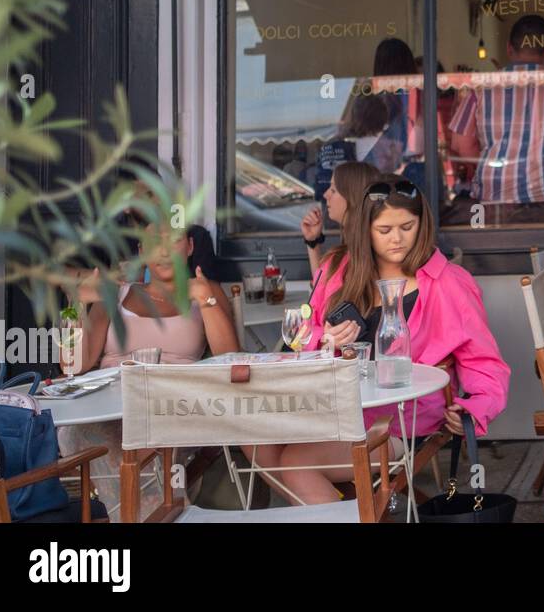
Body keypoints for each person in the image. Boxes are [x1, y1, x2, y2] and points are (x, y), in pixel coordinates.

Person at [259, 176, 510, 505]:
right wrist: (325, 338)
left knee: (295, 464)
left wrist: (475, 410)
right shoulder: (336, 268)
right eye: (384, 230)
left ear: (422, 223)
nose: (398, 239)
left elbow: (485, 363)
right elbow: (298, 330)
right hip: (333, 405)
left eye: (407, 226)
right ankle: (348, 508)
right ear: (365, 230)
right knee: (257, 445)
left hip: (399, 420)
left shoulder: (447, 283)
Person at [57, 225, 238, 517]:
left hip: (175, 404)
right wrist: (75, 303)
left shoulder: (204, 290)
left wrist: (205, 297)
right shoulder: (115, 295)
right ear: (142, 252)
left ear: (190, 247)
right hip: (111, 408)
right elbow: (73, 363)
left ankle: (135, 513)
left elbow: (230, 358)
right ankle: (153, 511)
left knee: (146, 444)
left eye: (174, 240)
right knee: (98, 436)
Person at [448, 14, 544, 222]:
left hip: (498, 197)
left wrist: (492, 159)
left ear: (509, 48)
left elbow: (460, 144)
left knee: (501, 252)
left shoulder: (482, 88)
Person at [298, 160, 382, 277]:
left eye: (333, 190)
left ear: (353, 196)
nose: (325, 195)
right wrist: (312, 241)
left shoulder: (374, 252)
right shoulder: (354, 246)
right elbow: (322, 288)